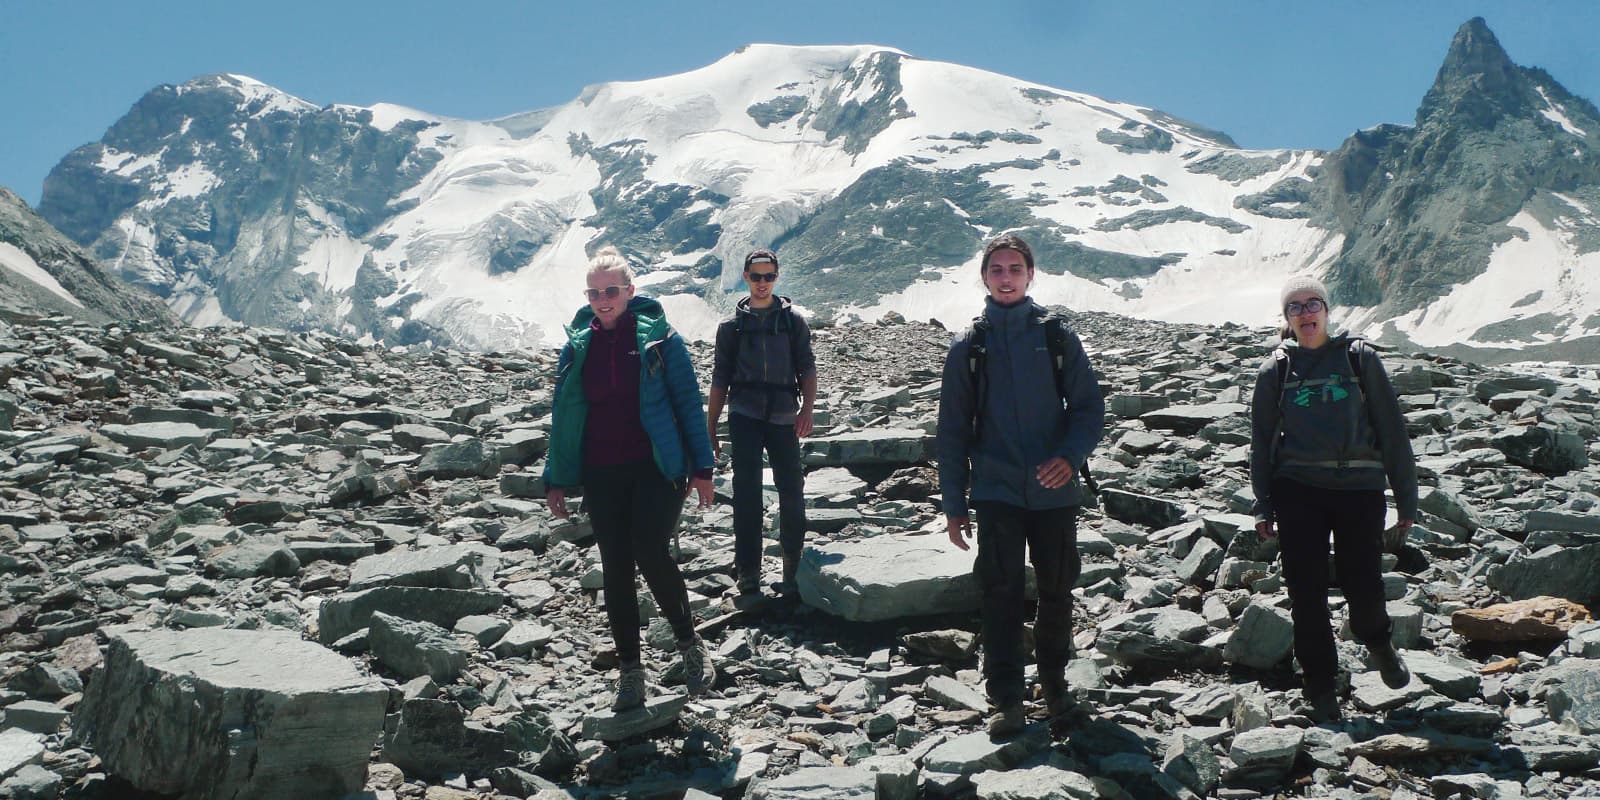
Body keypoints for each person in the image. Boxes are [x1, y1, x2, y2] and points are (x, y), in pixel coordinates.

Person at [937, 234, 1105, 737]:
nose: (1006, 277)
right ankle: (1006, 697)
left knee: (1056, 588)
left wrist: (1070, 458)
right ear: (984, 278)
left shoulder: (1056, 338)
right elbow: (952, 430)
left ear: (1030, 275)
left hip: (1054, 490)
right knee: (1000, 591)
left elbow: (1090, 408)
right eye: (997, 270)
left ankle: (1055, 687)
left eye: (1015, 269)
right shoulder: (970, 346)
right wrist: (953, 503)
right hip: (995, 490)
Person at [544, 246, 718, 712]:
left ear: (629, 291)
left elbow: (687, 403)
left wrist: (702, 469)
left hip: (656, 466)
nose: (604, 299)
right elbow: (564, 414)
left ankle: (689, 644)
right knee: (615, 566)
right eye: (595, 292)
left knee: (649, 549)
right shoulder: (578, 346)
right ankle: (630, 672)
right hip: (602, 470)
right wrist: (555, 478)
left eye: (612, 291)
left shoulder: (661, 340)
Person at [1249, 275, 1418, 723]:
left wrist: (1407, 499)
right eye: (1295, 308)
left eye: (1313, 304)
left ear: (1326, 310)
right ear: (1286, 319)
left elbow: (1392, 431)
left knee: (1362, 585)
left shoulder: (1359, 359)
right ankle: (1320, 686)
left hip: (1359, 489)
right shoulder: (1277, 370)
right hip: (1298, 490)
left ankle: (1378, 642)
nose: (1305, 313)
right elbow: (1262, 442)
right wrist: (1262, 504)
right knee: (1305, 593)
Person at [706, 248, 818, 602]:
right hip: (745, 415)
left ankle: (792, 567)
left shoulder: (793, 322)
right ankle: (748, 571)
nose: (763, 283)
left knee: (792, 490)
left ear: (776, 278)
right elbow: (720, 379)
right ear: (745, 277)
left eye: (769, 276)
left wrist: (807, 411)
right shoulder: (731, 328)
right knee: (747, 494)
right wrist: (710, 427)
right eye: (756, 277)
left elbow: (807, 368)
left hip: (785, 414)